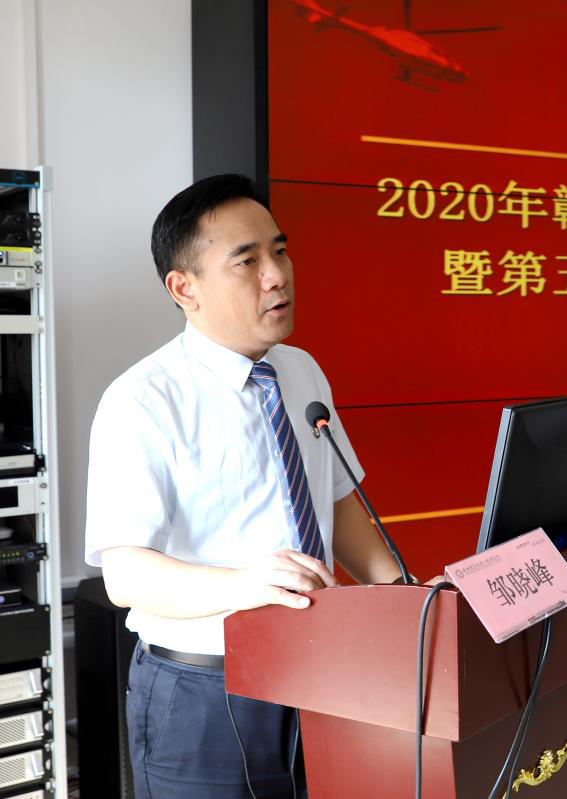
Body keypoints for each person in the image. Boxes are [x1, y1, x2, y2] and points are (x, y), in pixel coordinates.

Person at [85, 174, 403, 798]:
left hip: (321, 667)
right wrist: (244, 583)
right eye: (247, 260)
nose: (277, 275)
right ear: (184, 288)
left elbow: (337, 502)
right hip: (205, 692)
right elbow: (126, 576)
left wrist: (407, 597)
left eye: (279, 251)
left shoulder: (301, 371)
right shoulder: (142, 400)